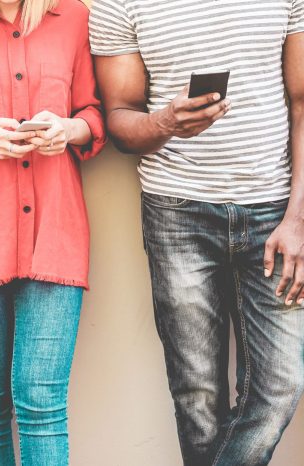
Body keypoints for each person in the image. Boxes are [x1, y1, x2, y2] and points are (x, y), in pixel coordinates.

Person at [90, 1, 304, 465]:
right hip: (176, 212)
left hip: (276, 211)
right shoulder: (116, 4)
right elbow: (121, 119)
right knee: (197, 397)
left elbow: (303, 101)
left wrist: (298, 218)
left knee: (281, 387)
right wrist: (166, 121)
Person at [0, 0, 106, 464]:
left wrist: (68, 130)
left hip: (55, 232)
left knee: (43, 404)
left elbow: (94, 113)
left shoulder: (73, 18)